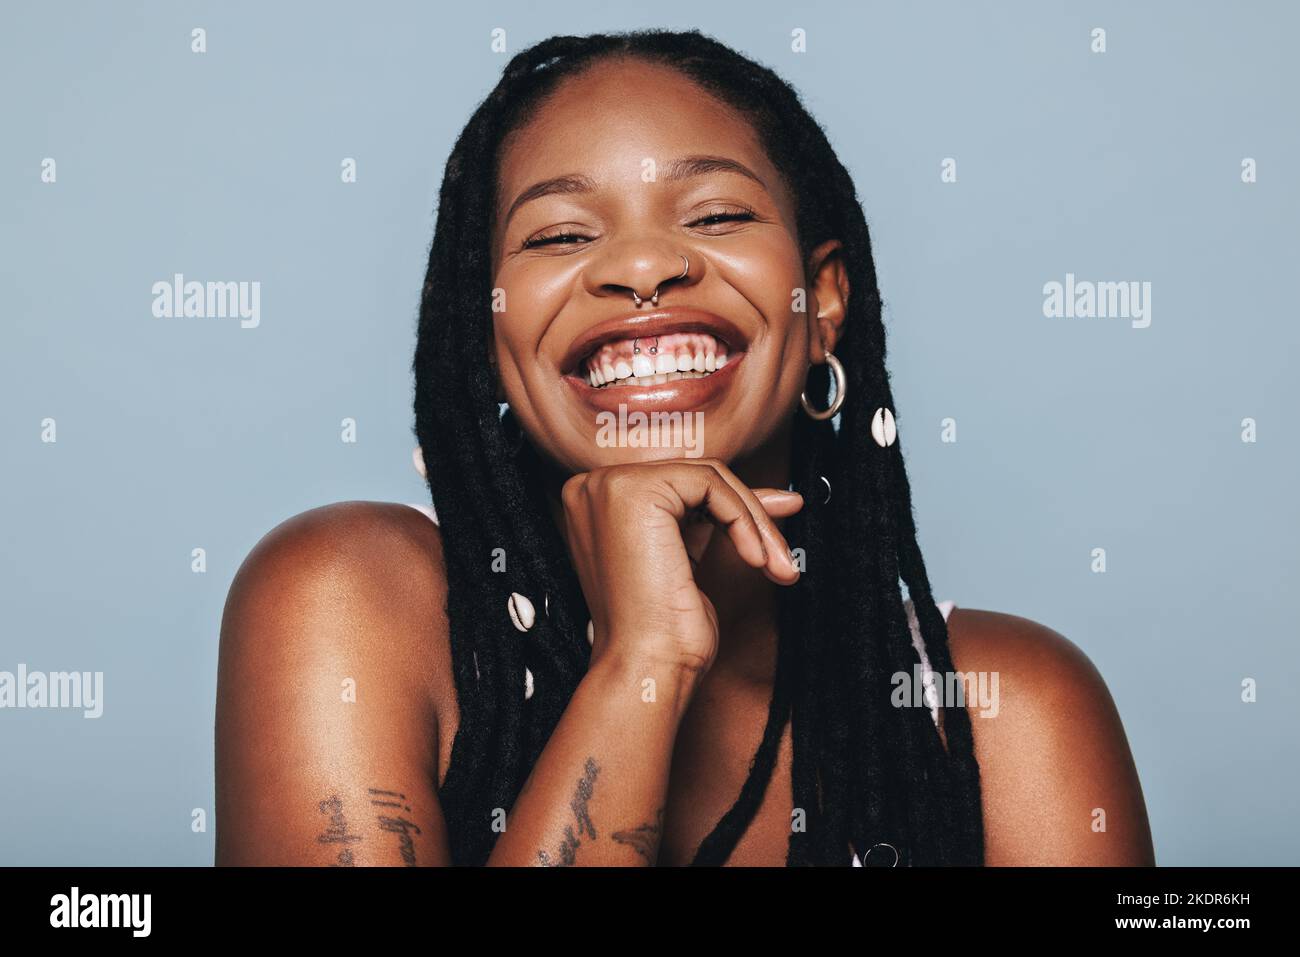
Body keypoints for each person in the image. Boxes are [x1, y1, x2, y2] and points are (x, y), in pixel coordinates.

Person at [214, 29, 1154, 867]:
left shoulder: (1003, 715)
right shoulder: (349, 598)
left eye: (715, 216)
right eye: (560, 233)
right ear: (489, 337)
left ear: (821, 302)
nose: (642, 267)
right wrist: (642, 664)